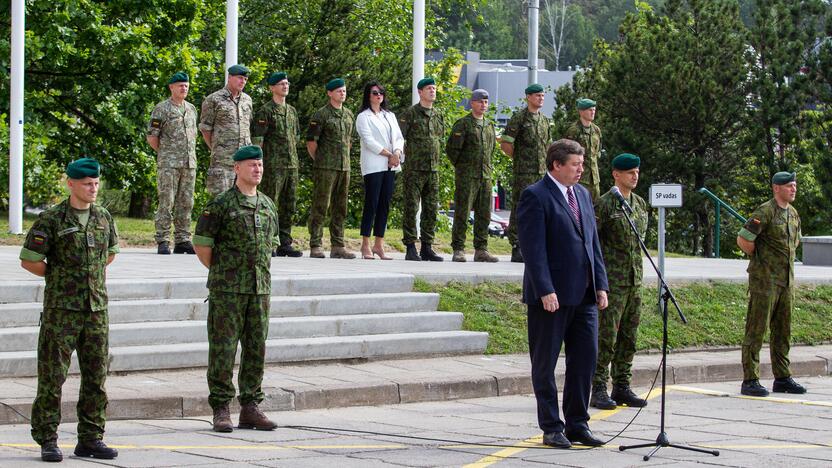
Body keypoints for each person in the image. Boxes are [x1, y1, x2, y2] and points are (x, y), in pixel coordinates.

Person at [19, 158, 120, 462]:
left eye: (96, 183)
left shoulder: (103, 217)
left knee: (95, 377)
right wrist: (59, 275)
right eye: (87, 183)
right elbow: (30, 259)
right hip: (62, 311)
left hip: (95, 309)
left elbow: (110, 253)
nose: (93, 188)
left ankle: (91, 438)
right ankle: (48, 438)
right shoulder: (53, 219)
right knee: (52, 377)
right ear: (71, 184)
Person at [517, 139, 609, 449]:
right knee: (545, 364)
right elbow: (533, 250)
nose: (581, 169)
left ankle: (577, 424)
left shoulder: (582, 195)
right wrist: (545, 289)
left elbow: (592, 243)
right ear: (557, 165)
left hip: (584, 294)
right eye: (575, 164)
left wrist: (601, 284)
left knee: (585, 361)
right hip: (551, 297)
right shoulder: (535, 196)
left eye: (582, 164)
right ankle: (552, 426)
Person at [193, 145, 279, 433]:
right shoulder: (220, 204)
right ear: (237, 169)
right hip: (227, 290)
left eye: (260, 165)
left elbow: (271, 246)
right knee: (223, 350)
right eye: (252, 165)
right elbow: (202, 244)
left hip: (259, 289)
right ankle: (220, 407)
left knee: (256, 349)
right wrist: (223, 273)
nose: (257, 169)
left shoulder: (267, 205)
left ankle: (251, 406)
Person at [736, 171, 806, 397]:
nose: (793, 189)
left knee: (783, 331)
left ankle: (783, 377)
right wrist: (761, 259)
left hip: (786, 282)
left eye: (794, 186)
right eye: (789, 186)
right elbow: (744, 239)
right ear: (777, 188)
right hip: (764, 281)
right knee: (756, 330)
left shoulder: (793, 214)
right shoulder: (765, 211)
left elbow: (794, 244)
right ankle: (750, 379)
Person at [591, 153, 649, 410]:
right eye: (629, 172)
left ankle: (622, 385)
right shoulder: (604, 205)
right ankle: (598, 386)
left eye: (637, 171)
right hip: (612, 282)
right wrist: (597, 282)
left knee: (629, 335)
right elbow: (592, 243)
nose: (634, 176)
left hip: (634, 280)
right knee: (606, 337)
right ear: (616, 174)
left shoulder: (639, 204)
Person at [252, 71, 303, 257]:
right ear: (272, 88)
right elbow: (258, 139)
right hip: (273, 165)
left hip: (291, 164)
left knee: (289, 205)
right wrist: (259, 164)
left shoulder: (291, 111)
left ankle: (284, 242)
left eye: (287, 83)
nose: (285, 86)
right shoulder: (266, 111)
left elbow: (296, 136)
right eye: (281, 83)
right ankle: (269, 240)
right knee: (269, 204)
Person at [147, 71, 199, 256]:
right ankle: (162, 239)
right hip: (169, 163)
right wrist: (165, 154)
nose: (184, 88)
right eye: (180, 85)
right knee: (166, 201)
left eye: (186, 85)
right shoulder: (161, 109)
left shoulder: (191, 109)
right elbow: (152, 136)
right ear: (171, 87)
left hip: (189, 163)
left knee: (186, 202)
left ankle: (183, 240)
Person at [500, 83, 551, 263]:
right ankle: (517, 245)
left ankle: (537, 246)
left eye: (542, 95)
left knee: (541, 209)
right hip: (524, 173)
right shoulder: (519, 118)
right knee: (520, 207)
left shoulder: (544, 121)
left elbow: (548, 146)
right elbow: (506, 143)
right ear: (528, 97)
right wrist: (519, 158)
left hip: (541, 172)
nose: (540, 98)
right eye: (537, 95)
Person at [306, 78, 356, 259]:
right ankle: (316, 244)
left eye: (343, 90)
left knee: (340, 207)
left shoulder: (349, 115)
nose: (342, 93)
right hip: (325, 167)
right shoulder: (321, 115)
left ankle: (338, 244)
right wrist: (320, 161)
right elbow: (311, 142)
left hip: (344, 167)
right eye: (338, 91)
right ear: (329, 93)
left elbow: (349, 142)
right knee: (321, 205)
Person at [447, 89, 498, 263]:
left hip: (485, 176)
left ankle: (481, 249)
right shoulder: (463, 124)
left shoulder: (489, 125)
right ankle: (459, 249)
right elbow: (452, 150)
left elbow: (491, 150)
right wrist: (463, 168)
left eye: (485, 102)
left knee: (484, 214)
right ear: (472, 103)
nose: (483, 105)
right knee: (462, 212)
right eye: (480, 102)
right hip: (467, 176)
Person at [355, 81, 404, 260]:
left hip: (390, 165)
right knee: (372, 203)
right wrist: (389, 154)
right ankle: (365, 244)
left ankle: (379, 244)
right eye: (375, 92)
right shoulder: (363, 117)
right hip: (374, 165)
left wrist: (397, 153)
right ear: (368, 95)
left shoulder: (389, 115)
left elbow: (398, 137)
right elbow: (369, 141)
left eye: (381, 92)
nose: (378, 95)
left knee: (384, 204)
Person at [398, 77, 444, 262]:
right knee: (411, 207)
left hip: (433, 170)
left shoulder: (438, 114)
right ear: (420, 92)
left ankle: (427, 246)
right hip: (414, 169)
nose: (432, 91)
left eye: (434, 88)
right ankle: (410, 246)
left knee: (431, 209)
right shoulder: (410, 114)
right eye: (428, 88)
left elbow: (439, 139)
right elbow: (399, 139)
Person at [200, 64, 253, 196]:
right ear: (229, 77)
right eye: (240, 78)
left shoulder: (247, 100)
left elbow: (248, 126)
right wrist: (217, 148)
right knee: (220, 200)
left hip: (244, 161)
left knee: (242, 200)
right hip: (222, 161)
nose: (243, 81)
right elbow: (206, 129)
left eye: (245, 79)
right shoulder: (213, 99)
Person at [563, 98, 601, 201]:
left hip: (595, 179)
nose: (593, 112)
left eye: (594, 109)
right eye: (590, 110)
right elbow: (567, 155)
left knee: (595, 210)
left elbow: (597, 152)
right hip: (579, 178)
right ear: (581, 111)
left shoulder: (596, 130)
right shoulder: (574, 131)